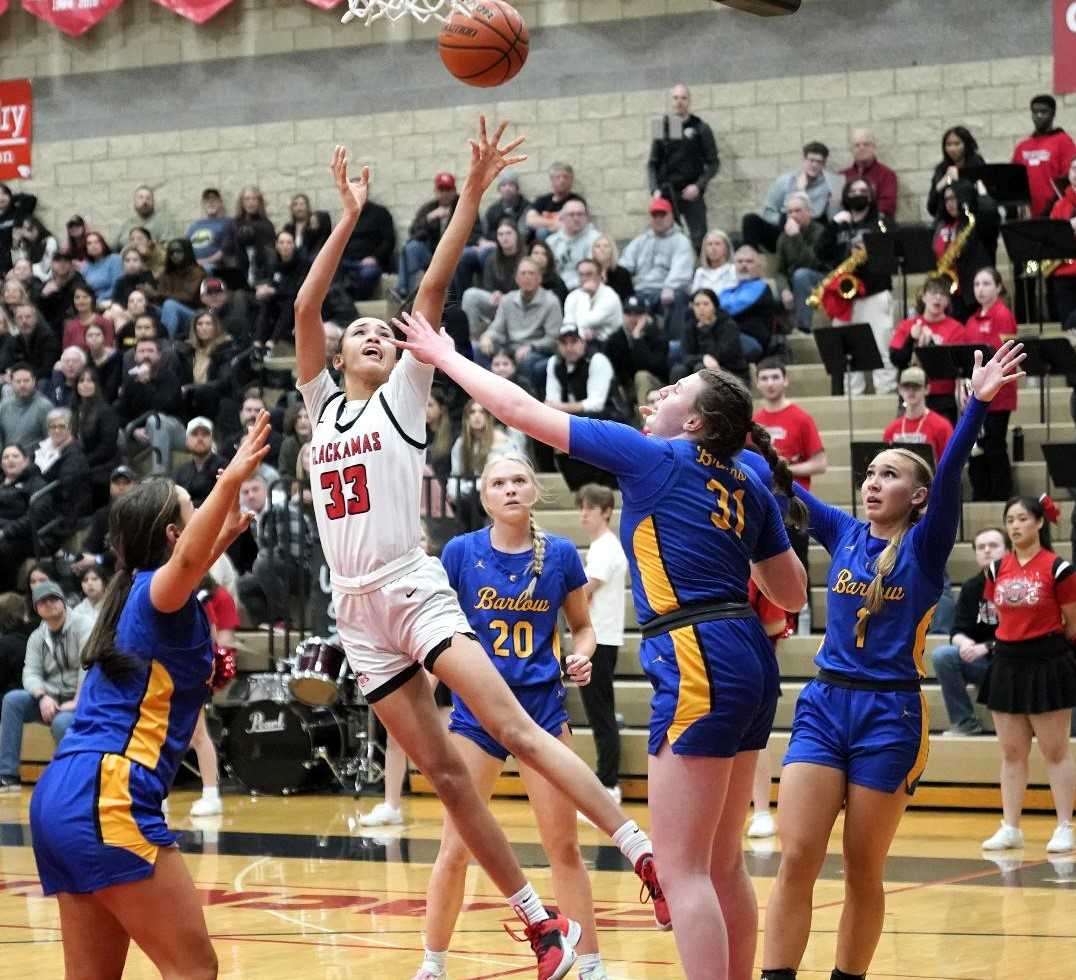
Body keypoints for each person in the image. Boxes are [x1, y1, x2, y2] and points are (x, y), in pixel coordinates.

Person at [294, 127, 668, 980]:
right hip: (355, 610)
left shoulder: (401, 399)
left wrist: (469, 195)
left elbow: (431, 287)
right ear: (339, 357)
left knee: (512, 730)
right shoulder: (320, 405)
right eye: (361, 335)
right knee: (449, 783)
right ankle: (540, 928)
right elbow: (304, 311)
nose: (372, 338)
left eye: (380, 335)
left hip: (409, 585)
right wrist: (348, 217)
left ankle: (639, 850)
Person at [391, 312, 808, 980]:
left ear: (695, 423)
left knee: (683, 868)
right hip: (749, 652)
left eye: (673, 393)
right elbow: (788, 594)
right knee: (724, 863)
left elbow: (520, 409)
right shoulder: (748, 478)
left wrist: (444, 354)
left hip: (695, 646)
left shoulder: (653, 456)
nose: (659, 396)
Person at [759, 343, 1025, 980]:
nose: (873, 482)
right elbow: (776, 478)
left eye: (889, 475)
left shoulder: (928, 547)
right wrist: (726, 430)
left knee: (861, 869)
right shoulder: (843, 531)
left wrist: (977, 406)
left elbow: (955, 464)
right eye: (870, 473)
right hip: (825, 705)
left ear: (919, 495)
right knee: (796, 856)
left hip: (891, 713)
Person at [27, 418, 270, 975]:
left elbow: (186, 563)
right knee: (196, 970)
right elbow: (184, 563)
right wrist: (228, 479)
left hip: (63, 793)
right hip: (108, 792)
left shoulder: (134, 592)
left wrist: (223, 535)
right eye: (192, 512)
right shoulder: (156, 593)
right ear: (172, 535)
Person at [415, 454, 608, 980]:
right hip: (477, 716)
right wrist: (422, 692)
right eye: (498, 482)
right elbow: (435, 631)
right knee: (455, 848)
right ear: (484, 497)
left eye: (518, 480)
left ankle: (590, 963)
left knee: (562, 845)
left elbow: (583, 627)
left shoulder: (562, 554)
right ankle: (433, 962)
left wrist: (583, 655)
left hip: (542, 711)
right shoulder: (460, 552)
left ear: (535, 490)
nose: (510, 489)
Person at [977, 496, 1076, 854]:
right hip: (1007, 662)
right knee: (1011, 751)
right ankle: (1010, 827)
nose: (1015, 525)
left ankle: (1065, 824)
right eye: (1010, 520)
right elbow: (995, 616)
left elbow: (1072, 623)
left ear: (1039, 523)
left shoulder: (1058, 568)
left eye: (1022, 519)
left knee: (1055, 750)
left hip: (1048, 662)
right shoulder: (994, 570)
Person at [0, 579, 89, 792]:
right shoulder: (36, 637)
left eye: (53, 598)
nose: (48, 604)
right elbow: (30, 673)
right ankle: (8, 775)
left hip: (80, 700)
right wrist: (42, 696)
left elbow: (89, 666)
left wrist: (77, 701)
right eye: (42, 601)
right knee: (12, 700)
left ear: (63, 601)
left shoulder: (83, 625)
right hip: (50, 699)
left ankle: (76, 781)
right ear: (36, 609)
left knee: (61, 724)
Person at [817, 178, 895, 395]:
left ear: (870, 196)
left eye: (863, 190)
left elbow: (892, 254)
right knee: (848, 352)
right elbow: (820, 252)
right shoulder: (839, 223)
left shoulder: (880, 222)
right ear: (846, 196)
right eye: (853, 190)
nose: (858, 194)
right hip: (844, 297)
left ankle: (886, 393)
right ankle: (854, 395)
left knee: (882, 348)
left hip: (874, 292)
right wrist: (833, 225)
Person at [576, 483, 628, 807]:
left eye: (590, 508)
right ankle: (607, 783)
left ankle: (608, 784)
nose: (583, 514)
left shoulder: (605, 548)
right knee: (600, 714)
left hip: (601, 640)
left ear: (606, 511)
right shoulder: (600, 547)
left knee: (602, 716)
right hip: (601, 638)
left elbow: (584, 591)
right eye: (581, 507)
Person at [930, 526, 1007, 736]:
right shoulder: (972, 587)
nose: (987, 550)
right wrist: (963, 641)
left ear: (1008, 551)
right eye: (981, 547)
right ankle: (965, 722)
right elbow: (958, 629)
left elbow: (1025, 634)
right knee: (943, 655)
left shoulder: (1018, 584)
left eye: (993, 546)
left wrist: (987, 647)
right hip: (986, 665)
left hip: (1015, 665)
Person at [188, 572, 240, 818]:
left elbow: (217, 639)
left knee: (198, 733)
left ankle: (211, 794)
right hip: (175, 668)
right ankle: (157, 795)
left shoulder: (210, 597)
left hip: (198, 669)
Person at [963, 267, 1018, 501]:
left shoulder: (1003, 315)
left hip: (999, 394)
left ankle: (1001, 495)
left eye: (986, 284)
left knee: (995, 444)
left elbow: (1005, 355)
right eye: (977, 284)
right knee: (979, 446)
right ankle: (982, 493)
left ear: (998, 287)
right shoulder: (971, 320)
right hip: (977, 393)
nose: (981, 289)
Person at [648, 83, 720, 253]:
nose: (679, 101)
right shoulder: (663, 126)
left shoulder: (700, 127)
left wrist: (698, 186)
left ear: (689, 101)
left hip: (691, 193)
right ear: (671, 101)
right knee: (664, 240)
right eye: (675, 98)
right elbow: (653, 162)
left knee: (699, 240)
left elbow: (713, 163)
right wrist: (654, 190)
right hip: (667, 193)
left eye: (683, 98)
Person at [888, 275, 967, 424]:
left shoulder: (956, 329)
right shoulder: (907, 325)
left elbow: (955, 367)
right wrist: (911, 338)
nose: (937, 298)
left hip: (942, 397)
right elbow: (897, 360)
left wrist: (931, 345)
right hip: (911, 392)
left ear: (948, 301)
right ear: (923, 297)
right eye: (933, 293)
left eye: (943, 294)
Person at [741, 142, 842, 253]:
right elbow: (768, 212)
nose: (814, 165)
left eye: (819, 162)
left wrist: (801, 192)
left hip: (809, 234)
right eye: (811, 160)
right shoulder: (785, 181)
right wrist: (784, 221)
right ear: (804, 159)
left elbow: (833, 219)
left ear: (824, 164)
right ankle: (749, 257)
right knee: (750, 220)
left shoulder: (829, 184)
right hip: (782, 229)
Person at [477, 257, 562, 388]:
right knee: (477, 348)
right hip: (510, 347)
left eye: (531, 273)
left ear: (539, 278)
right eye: (523, 273)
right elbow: (497, 328)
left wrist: (531, 347)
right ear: (517, 279)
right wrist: (487, 336)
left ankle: (524, 397)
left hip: (536, 350)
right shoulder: (508, 299)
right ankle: (488, 390)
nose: (527, 277)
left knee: (526, 360)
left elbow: (552, 338)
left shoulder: (551, 302)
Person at [399, 171, 484, 298]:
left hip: (453, 255)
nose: (444, 194)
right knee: (411, 247)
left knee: (464, 254)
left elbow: (475, 233)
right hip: (432, 255)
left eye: (448, 190)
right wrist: (429, 219)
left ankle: (456, 300)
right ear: (436, 191)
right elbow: (414, 233)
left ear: (454, 190)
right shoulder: (429, 208)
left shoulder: (465, 206)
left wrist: (453, 245)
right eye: (441, 190)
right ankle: (405, 292)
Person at [930, 179, 1000, 322]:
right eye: (947, 199)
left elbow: (991, 215)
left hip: (971, 297)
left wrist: (982, 195)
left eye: (954, 198)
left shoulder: (975, 223)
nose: (950, 203)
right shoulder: (942, 224)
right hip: (947, 294)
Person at [619, 197, 695, 328]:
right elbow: (625, 265)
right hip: (639, 291)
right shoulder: (641, 240)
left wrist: (670, 287)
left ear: (671, 216)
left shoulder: (681, 241)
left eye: (662, 215)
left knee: (677, 297)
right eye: (655, 215)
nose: (658, 219)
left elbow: (681, 270)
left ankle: (674, 344)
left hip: (663, 291)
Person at [448, 400, 517, 532]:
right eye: (472, 412)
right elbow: (455, 474)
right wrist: (454, 491)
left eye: (482, 412)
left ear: (488, 416)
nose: (477, 416)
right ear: (467, 418)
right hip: (471, 492)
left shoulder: (500, 440)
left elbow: (510, 470)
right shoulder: (461, 443)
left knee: (474, 501)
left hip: (498, 490)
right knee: (465, 502)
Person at [1011, 94, 1076, 218]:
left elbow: (1068, 179)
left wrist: (1056, 206)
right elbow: (1014, 182)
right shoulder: (1022, 147)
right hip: (1028, 214)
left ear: (1053, 114)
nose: (1039, 116)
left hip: (1055, 211)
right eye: (1035, 112)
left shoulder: (1063, 141)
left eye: (1044, 112)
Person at [603, 294, 670, 410]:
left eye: (637, 314)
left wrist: (637, 338)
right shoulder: (615, 339)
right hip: (628, 386)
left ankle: (646, 424)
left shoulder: (657, 335)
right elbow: (613, 368)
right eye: (628, 314)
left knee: (641, 376)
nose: (632, 318)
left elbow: (654, 366)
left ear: (646, 316)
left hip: (657, 383)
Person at [462, 218, 524, 338]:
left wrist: (506, 297)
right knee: (470, 295)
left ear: (516, 235)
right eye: (500, 234)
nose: (504, 238)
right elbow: (488, 285)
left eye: (508, 233)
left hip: (519, 303)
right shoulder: (492, 258)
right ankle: (473, 337)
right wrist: (495, 293)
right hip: (498, 303)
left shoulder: (525, 257)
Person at [774, 192, 827, 334]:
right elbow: (780, 271)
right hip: (795, 281)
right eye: (789, 212)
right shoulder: (783, 237)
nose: (793, 215)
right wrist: (784, 289)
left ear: (809, 212)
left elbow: (813, 262)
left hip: (821, 278)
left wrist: (796, 237)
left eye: (798, 211)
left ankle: (804, 327)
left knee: (801, 275)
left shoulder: (820, 232)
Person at [70, 366, 121, 508]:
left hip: (103, 464)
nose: (85, 384)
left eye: (90, 381)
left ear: (97, 385)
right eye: (81, 381)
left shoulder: (106, 411)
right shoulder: (75, 409)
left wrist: (84, 462)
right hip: (83, 460)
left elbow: (107, 448)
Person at [674, 287, 747, 384]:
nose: (701, 308)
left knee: (701, 368)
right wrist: (703, 358)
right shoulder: (690, 326)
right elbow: (684, 356)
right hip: (702, 365)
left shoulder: (728, 326)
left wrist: (705, 331)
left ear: (715, 306)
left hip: (731, 370)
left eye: (705, 304)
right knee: (678, 370)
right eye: (697, 304)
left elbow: (720, 355)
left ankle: (703, 399)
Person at [882, 367, 953, 465]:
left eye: (916, 387)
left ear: (927, 389)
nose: (911, 391)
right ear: (899, 389)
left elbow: (949, 465)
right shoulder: (891, 429)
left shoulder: (942, 426)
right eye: (906, 387)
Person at [719, 245, 778, 361]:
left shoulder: (761, 286)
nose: (744, 265)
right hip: (729, 337)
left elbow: (729, 309)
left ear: (758, 266)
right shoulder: (730, 289)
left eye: (749, 261)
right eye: (740, 261)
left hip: (751, 341)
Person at [253, 230, 309, 350]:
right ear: (276, 245)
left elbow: (298, 289)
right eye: (282, 242)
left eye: (289, 242)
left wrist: (274, 291)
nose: (285, 246)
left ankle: (273, 341)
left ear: (294, 245)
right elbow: (275, 283)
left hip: (298, 301)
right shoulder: (275, 263)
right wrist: (265, 288)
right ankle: (258, 341)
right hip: (280, 300)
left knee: (289, 302)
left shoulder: (303, 263)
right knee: (266, 302)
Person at [927, 126, 986, 219]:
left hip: (973, 220)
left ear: (966, 145)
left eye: (957, 144)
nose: (952, 149)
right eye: (948, 144)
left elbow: (982, 198)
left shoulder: (977, 163)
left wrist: (958, 181)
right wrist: (941, 185)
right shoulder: (941, 169)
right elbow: (931, 208)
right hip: (947, 222)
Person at [839, 129, 898, 221]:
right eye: (857, 145)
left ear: (874, 147)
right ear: (851, 150)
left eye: (866, 144)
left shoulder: (887, 175)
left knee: (884, 231)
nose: (861, 148)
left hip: (879, 224)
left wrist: (862, 215)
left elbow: (887, 205)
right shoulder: (842, 176)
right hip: (848, 226)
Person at [562, 258, 623, 345]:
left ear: (599, 275)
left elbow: (585, 322)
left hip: (609, 345)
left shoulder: (610, 297)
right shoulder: (572, 296)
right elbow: (568, 324)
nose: (584, 278)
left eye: (589, 274)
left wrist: (586, 294)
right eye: (581, 274)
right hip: (580, 343)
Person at [546, 197, 600, 292]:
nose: (576, 218)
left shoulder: (596, 239)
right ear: (562, 218)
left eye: (580, 214)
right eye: (571, 215)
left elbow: (591, 272)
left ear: (586, 217)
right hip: (555, 289)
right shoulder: (551, 241)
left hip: (583, 288)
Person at [1046, 155, 1076, 325]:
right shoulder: (1060, 205)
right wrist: (1069, 226)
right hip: (1064, 274)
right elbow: (1051, 238)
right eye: (1073, 169)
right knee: (1068, 326)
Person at [0, 362, 54, 455]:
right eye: (18, 381)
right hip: (6, 462)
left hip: (33, 464)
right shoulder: (4, 405)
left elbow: (51, 442)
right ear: (11, 382)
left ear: (34, 381)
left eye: (26, 381)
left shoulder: (45, 406)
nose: (22, 385)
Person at [174, 417, 227, 508]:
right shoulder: (181, 471)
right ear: (187, 441)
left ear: (212, 439)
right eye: (194, 434)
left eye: (205, 434)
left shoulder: (223, 466)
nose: (200, 438)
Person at [526, 162, 578, 240]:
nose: (562, 180)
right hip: (539, 247)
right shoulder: (542, 201)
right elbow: (530, 220)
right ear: (552, 180)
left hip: (564, 243)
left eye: (565, 177)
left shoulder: (576, 202)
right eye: (558, 177)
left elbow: (574, 225)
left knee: (542, 232)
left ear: (571, 180)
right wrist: (554, 223)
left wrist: (542, 223)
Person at [113, 185, 176, 250]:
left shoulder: (163, 221)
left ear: (153, 202)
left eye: (148, 198)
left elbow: (170, 245)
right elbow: (114, 246)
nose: (145, 201)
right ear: (135, 202)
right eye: (140, 198)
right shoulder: (127, 224)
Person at [284, 193, 333, 265]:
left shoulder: (313, 227)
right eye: (295, 204)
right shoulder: (288, 228)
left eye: (301, 204)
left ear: (307, 206)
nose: (299, 208)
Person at [482, 171, 531, 241]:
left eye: (511, 185)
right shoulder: (493, 210)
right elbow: (486, 231)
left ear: (517, 188)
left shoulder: (526, 207)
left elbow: (524, 233)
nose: (507, 188)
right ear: (499, 189)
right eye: (503, 185)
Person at [691, 229, 737, 296]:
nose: (713, 248)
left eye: (717, 244)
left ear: (726, 248)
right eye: (709, 244)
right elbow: (695, 298)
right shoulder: (700, 272)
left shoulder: (734, 270)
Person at [591, 233, 634, 303]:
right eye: (598, 246)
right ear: (593, 252)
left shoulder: (623, 273)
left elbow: (629, 298)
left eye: (606, 246)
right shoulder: (588, 273)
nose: (602, 249)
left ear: (612, 250)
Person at [528, 240, 569, 305]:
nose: (539, 257)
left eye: (544, 254)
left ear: (548, 258)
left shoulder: (556, 282)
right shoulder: (523, 278)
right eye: (536, 253)